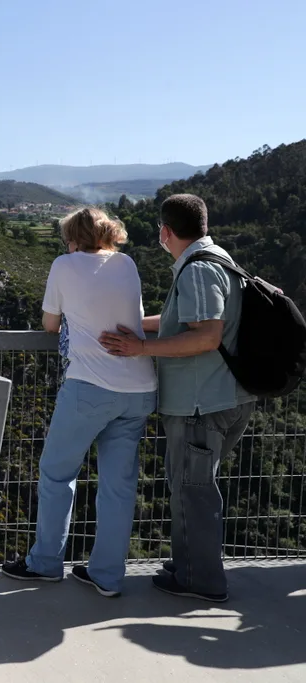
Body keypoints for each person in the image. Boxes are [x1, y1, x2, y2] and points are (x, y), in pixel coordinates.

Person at [100, 193, 254, 603]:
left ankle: (200, 579)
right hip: (223, 396)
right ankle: (188, 564)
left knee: (193, 491)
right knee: (193, 487)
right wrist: (134, 326)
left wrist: (139, 349)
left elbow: (206, 335)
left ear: (166, 232)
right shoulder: (218, 258)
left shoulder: (197, 271)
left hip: (201, 403)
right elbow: (180, 323)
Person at [2, 208, 157, 597]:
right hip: (139, 386)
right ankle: (106, 576)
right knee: (118, 486)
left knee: (57, 473)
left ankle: (45, 564)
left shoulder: (64, 264)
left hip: (90, 385)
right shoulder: (126, 263)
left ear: (73, 237)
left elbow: (50, 325)